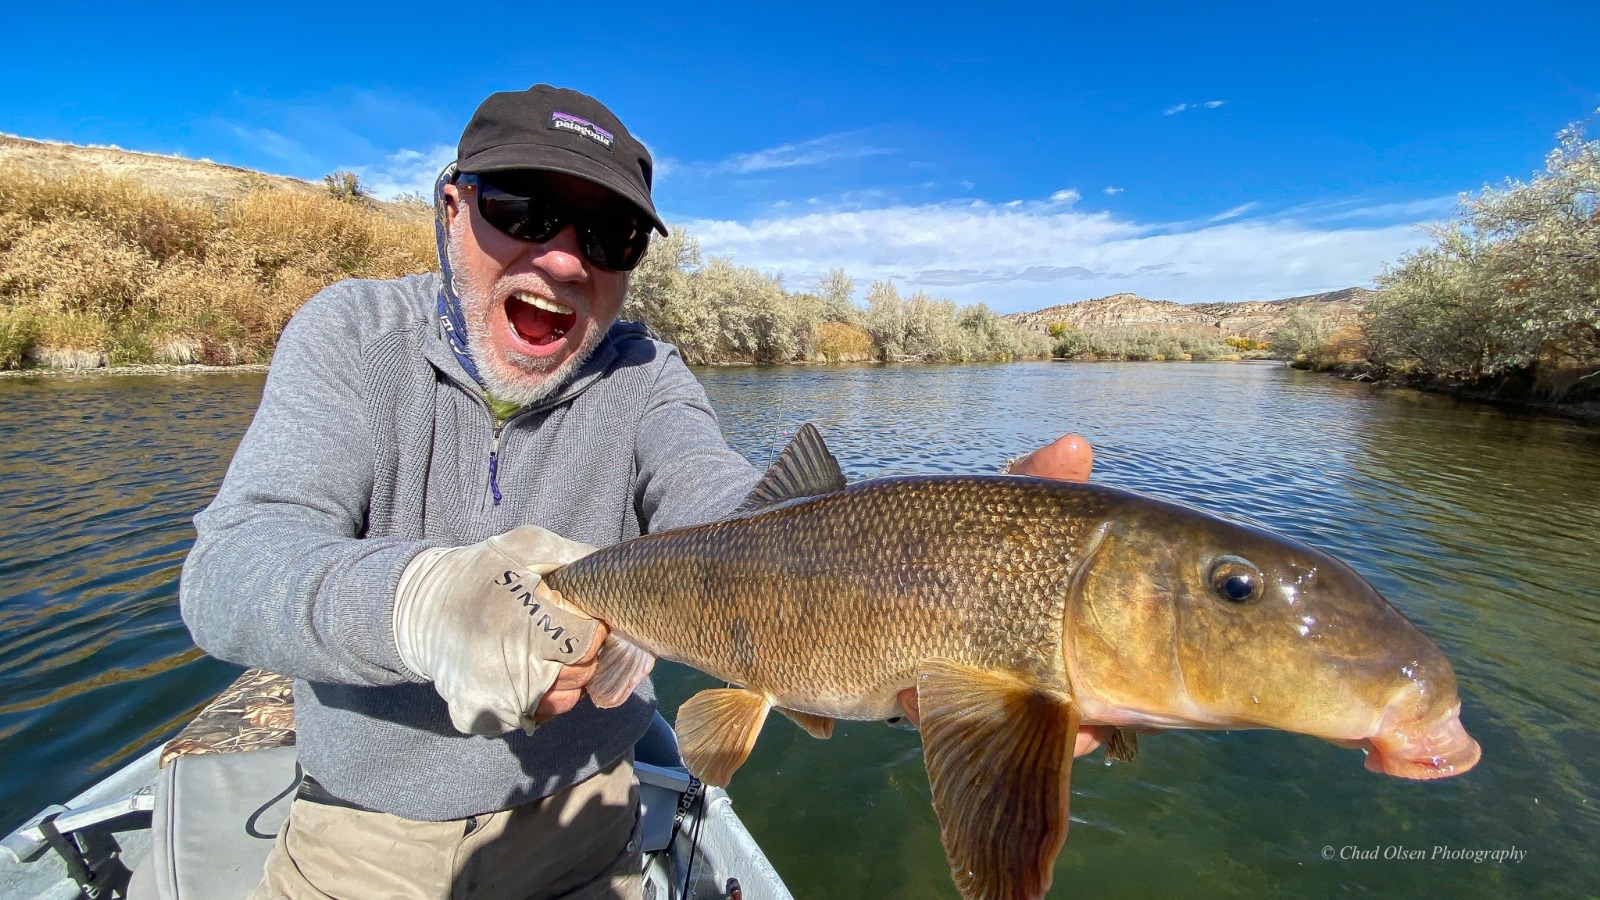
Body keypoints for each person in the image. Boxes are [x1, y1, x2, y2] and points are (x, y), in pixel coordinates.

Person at [179, 84, 1098, 900]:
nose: (568, 260)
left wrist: (933, 591)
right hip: (363, 851)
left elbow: (728, 516)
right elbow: (230, 574)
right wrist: (423, 603)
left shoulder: (645, 373)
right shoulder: (350, 336)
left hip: (592, 838)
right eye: (524, 210)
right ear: (452, 209)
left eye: (609, 236)